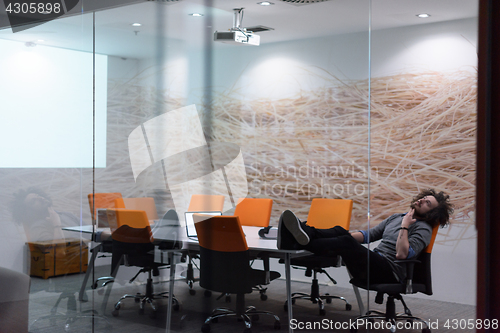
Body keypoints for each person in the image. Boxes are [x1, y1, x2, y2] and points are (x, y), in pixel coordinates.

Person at [277, 189, 453, 284]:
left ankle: (297, 242)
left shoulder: (423, 228)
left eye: (427, 203)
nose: (422, 200)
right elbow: (369, 235)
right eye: (424, 198)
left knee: (345, 240)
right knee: (342, 231)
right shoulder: (397, 217)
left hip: (389, 272)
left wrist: (405, 226)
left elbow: (402, 254)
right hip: (375, 262)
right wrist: (341, 235)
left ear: (432, 213)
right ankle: (304, 233)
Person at [11, 187, 80, 242]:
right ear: (28, 211)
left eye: (38, 195)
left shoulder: (67, 215)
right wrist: (56, 224)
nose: (40, 198)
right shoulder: (37, 228)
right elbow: (56, 253)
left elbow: (90, 234)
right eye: (34, 201)